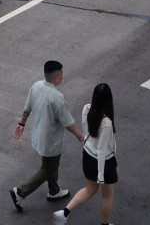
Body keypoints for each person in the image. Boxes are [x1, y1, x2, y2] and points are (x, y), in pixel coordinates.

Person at [10, 60, 84, 214]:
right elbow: (68, 123)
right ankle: (20, 192)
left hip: (38, 136)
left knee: (51, 165)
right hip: (50, 142)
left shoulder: (36, 86)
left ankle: (54, 191)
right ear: (56, 78)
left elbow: (27, 107)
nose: (63, 75)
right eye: (62, 73)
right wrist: (79, 135)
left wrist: (21, 124)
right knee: (48, 168)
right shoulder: (57, 97)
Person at [53, 83, 118, 225]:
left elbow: (85, 130)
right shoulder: (106, 122)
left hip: (88, 155)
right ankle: (105, 224)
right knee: (107, 195)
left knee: (90, 189)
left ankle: (64, 213)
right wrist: (101, 176)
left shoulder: (86, 108)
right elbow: (101, 150)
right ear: (108, 99)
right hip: (104, 161)